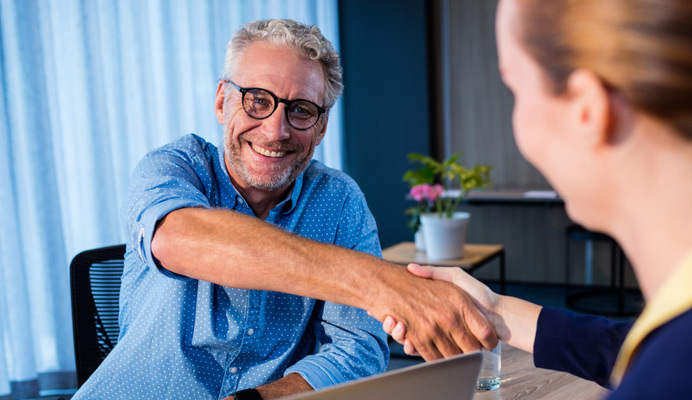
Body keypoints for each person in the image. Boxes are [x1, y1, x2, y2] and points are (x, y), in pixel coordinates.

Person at [384, 0, 692, 398]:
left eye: (516, 89)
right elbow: (652, 350)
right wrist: (497, 312)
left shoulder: (686, 377)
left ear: (589, 110)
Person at [72, 19, 496, 400]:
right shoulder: (172, 167)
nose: (276, 131)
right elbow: (177, 240)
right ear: (222, 102)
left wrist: (258, 399)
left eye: (301, 110)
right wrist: (381, 283)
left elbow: (358, 347)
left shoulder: (340, 201)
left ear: (322, 127)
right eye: (257, 100)